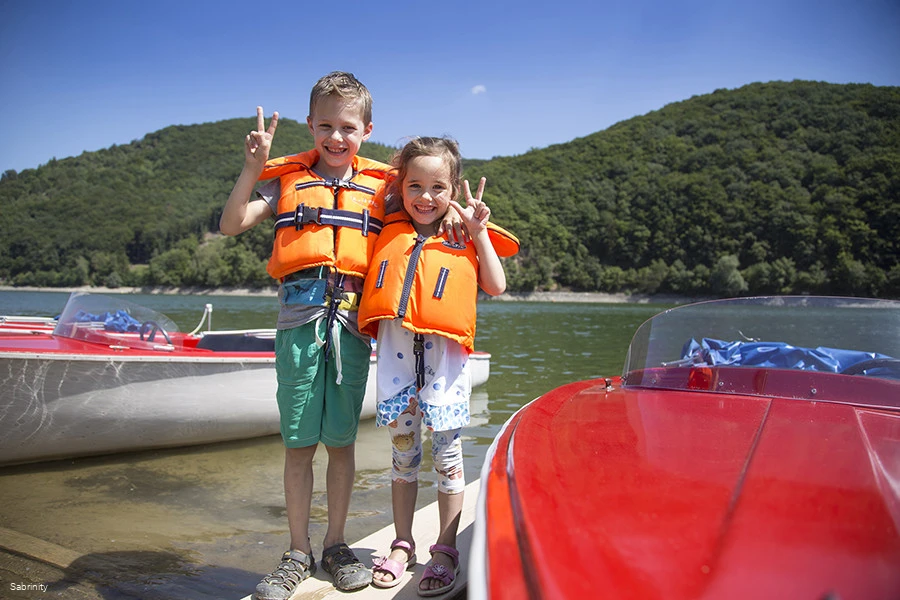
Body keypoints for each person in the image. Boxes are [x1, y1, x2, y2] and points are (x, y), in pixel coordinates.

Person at [219, 73, 462, 599]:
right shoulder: (284, 179)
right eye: (325, 126)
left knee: (342, 441)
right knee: (298, 442)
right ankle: (296, 552)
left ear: (366, 130)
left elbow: (428, 213)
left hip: (352, 323)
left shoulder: (383, 188)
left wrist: (470, 224)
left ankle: (334, 545)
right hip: (299, 319)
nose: (335, 137)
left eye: (347, 127)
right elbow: (233, 222)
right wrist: (251, 167)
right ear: (310, 125)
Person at [357, 137, 519, 596]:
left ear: (453, 189)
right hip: (397, 370)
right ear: (401, 186)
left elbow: (497, 284)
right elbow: (375, 179)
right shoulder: (387, 223)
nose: (425, 197)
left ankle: (445, 548)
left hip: (445, 375)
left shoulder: (462, 233)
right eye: (415, 186)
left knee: (448, 459)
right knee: (402, 460)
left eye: (438, 188)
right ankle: (403, 542)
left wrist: (479, 230)